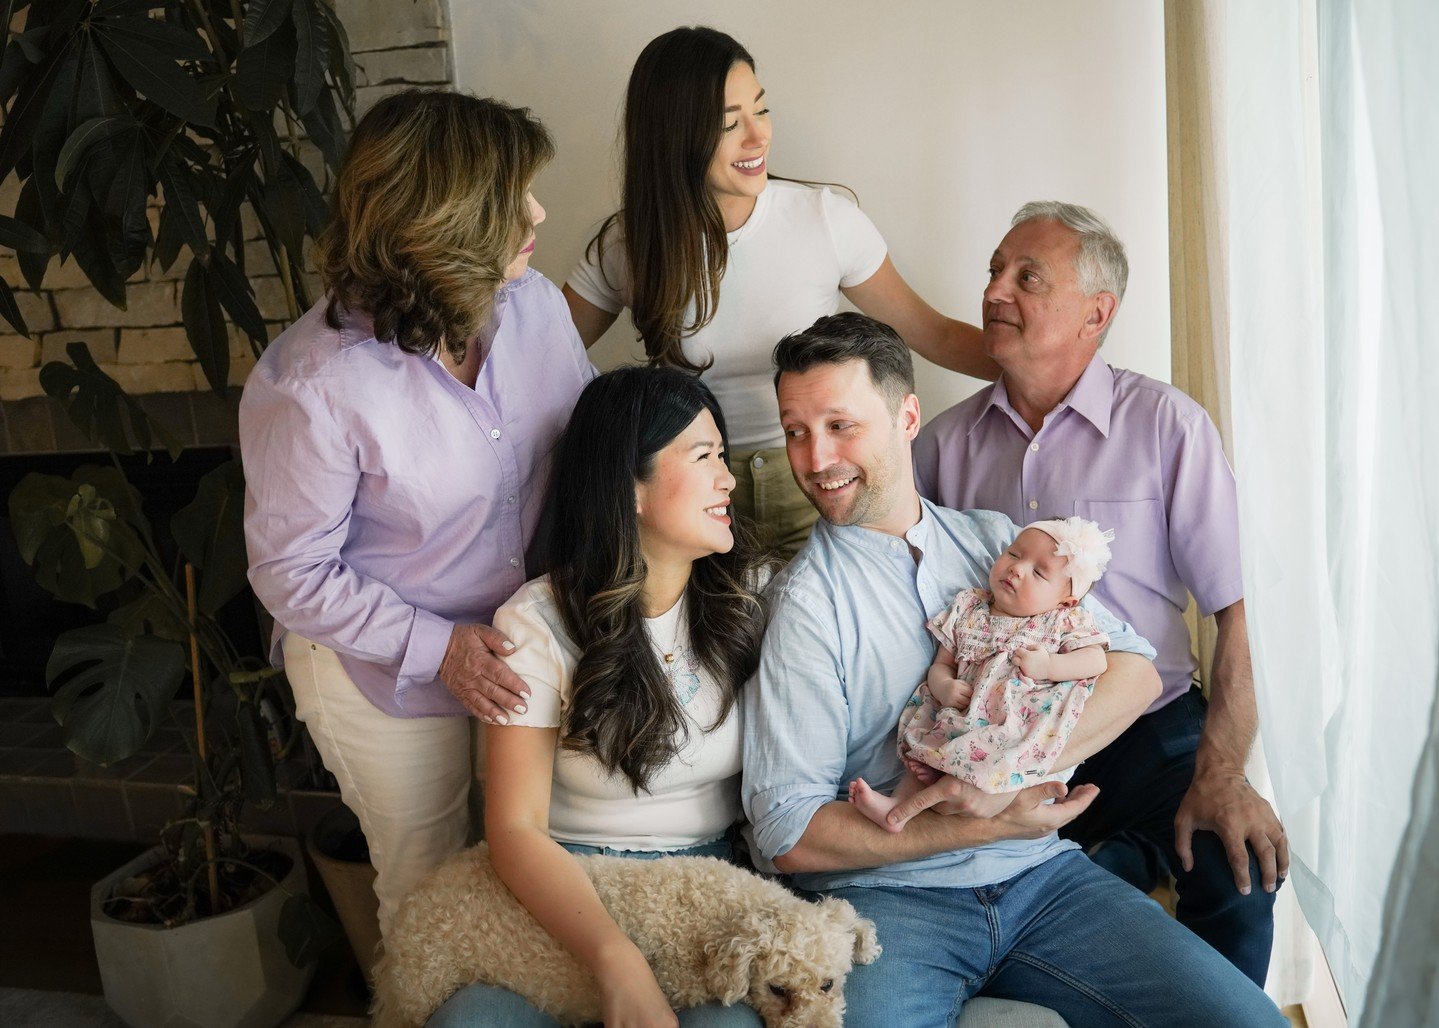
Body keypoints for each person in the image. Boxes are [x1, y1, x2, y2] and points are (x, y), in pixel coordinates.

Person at [742, 312, 1288, 1026]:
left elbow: (1135, 671)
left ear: (907, 418)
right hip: (886, 903)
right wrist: (978, 824)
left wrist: (1004, 776)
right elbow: (785, 830)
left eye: (839, 426)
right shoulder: (803, 606)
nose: (814, 459)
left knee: (1249, 1022)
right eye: (795, 431)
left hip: (1044, 881)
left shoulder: (995, 541)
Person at [240, 90, 595, 944]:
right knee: (432, 896)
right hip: (381, 673)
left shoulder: (536, 308)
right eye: (512, 197)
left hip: (527, 646)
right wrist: (441, 650)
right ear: (446, 219)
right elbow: (291, 572)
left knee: (536, 869)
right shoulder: (315, 383)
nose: (537, 214)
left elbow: (586, 454)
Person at [913, 201, 1286, 984]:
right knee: (1010, 900)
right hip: (1001, 739)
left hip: (1147, 727)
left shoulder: (1167, 426)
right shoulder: (941, 446)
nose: (993, 292)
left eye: (1026, 277)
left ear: (1096, 313)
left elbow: (1239, 608)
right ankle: (1117, 865)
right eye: (994, 271)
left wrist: (1222, 770)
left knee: (1237, 865)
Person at [563, 25, 998, 557]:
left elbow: (936, 334)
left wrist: (1055, 377)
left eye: (761, 110)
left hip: (816, 480)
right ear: (675, 136)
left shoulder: (825, 219)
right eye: (729, 124)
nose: (758, 136)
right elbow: (542, 357)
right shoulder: (630, 244)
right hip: (694, 492)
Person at [429, 367, 771, 1027]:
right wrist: (616, 960)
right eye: (704, 457)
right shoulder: (537, 621)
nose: (728, 478)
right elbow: (515, 827)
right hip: (566, 890)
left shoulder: (753, 598)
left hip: (710, 891)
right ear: (628, 487)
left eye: (722, 456)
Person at [850, 517, 1114, 829]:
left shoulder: (1063, 621)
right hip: (962, 712)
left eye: (1039, 572)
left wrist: (1049, 666)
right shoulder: (969, 607)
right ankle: (896, 806)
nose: (1017, 569)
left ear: (1066, 601)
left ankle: (936, 800)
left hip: (1016, 723)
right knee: (930, 749)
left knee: (999, 760)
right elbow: (942, 664)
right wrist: (944, 685)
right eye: (1014, 554)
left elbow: (1095, 661)